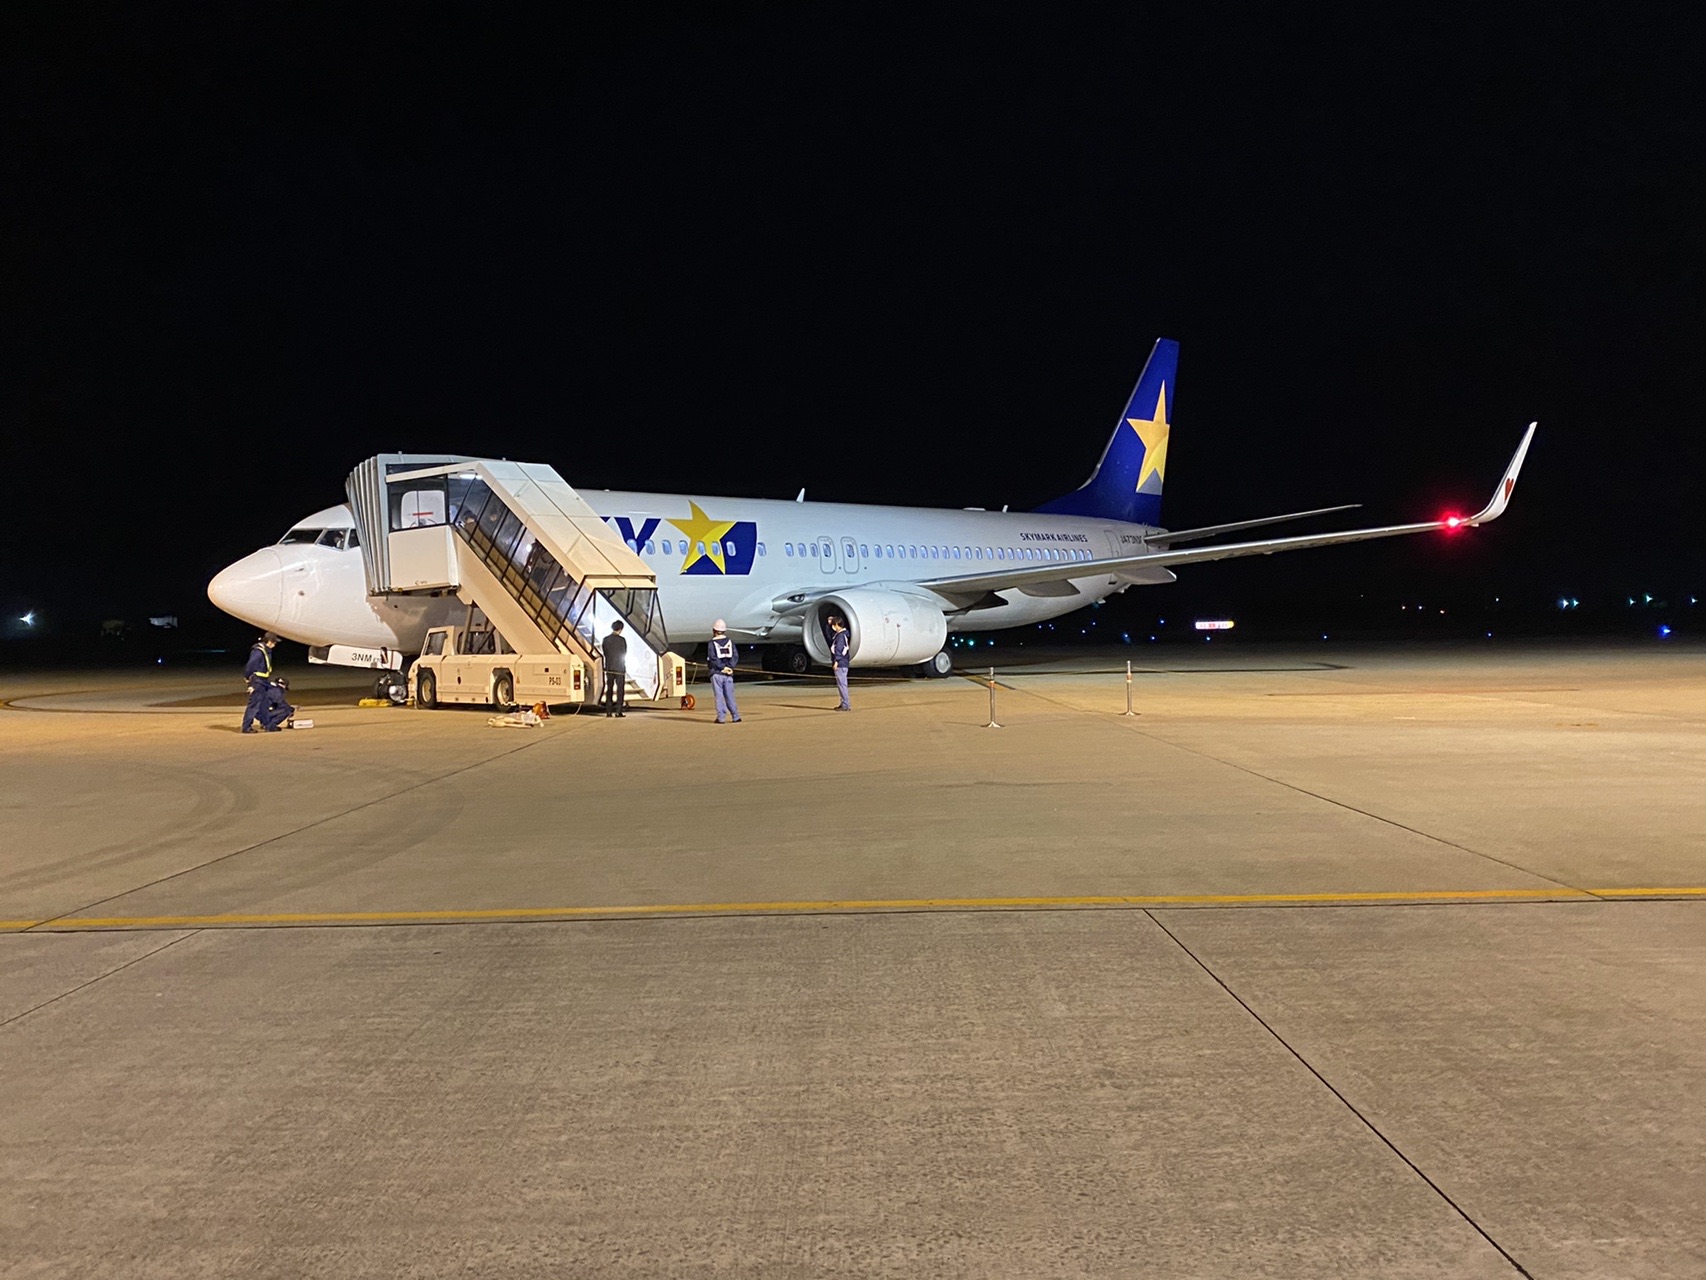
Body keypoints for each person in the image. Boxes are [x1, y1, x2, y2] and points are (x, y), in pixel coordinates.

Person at [241, 632, 292, 732]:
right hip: (257, 681)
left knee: (263, 704)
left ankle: (268, 725)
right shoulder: (258, 651)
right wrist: (249, 680)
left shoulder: (265, 650)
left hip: (263, 681)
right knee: (254, 705)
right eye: (274, 642)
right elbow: (250, 666)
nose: (274, 645)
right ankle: (246, 727)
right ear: (269, 641)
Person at [707, 619, 741, 723]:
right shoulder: (730, 642)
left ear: (714, 630)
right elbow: (735, 656)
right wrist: (730, 667)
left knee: (719, 696)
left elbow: (713, 658)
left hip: (716, 673)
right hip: (729, 674)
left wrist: (722, 668)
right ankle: (735, 716)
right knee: (730, 695)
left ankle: (721, 717)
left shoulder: (712, 643)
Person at [601, 620, 628, 717]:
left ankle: (608, 711)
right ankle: (618, 711)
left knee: (609, 689)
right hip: (620, 668)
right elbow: (624, 652)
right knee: (620, 690)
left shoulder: (605, 639)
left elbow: (605, 652)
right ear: (620, 629)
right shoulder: (622, 640)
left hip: (609, 667)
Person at [829, 616, 852, 711]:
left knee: (842, 684)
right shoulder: (842, 635)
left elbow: (839, 650)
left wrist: (836, 662)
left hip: (841, 663)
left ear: (837, 625)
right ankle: (844, 702)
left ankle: (845, 704)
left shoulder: (841, 636)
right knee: (842, 684)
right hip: (843, 662)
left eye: (833, 625)